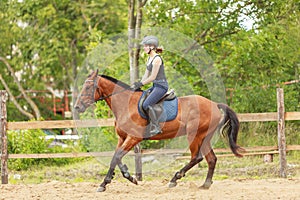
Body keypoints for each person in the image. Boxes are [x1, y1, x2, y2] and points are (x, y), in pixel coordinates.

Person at [131, 35, 169, 136]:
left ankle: (156, 126)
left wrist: (142, 83)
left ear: (152, 47)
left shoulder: (157, 59)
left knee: (146, 104)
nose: (144, 48)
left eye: (145, 46)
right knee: (141, 100)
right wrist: (138, 85)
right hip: (155, 86)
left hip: (161, 87)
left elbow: (152, 77)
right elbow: (146, 75)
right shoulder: (149, 59)